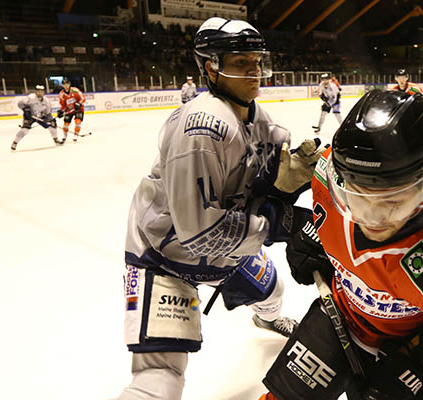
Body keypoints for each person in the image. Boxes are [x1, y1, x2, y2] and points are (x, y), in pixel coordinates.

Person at [116, 17, 323, 400]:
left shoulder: (264, 124)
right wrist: (280, 222)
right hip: (162, 257)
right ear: (211, 66)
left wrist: (284, 188)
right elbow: (197, 232)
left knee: (272, 289)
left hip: (223, 251)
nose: (254, 71)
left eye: (257, 61)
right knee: (160, 375)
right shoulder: (202, 128)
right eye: (241, 62)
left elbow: (253, 191)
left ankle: (267, 319)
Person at [260, 90, 423, 400]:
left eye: (392, 201)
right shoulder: (326, 178)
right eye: (358, 197)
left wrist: (416, 361)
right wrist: (309, 232)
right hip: (343, 313)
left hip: (416, 339)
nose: (373, 219)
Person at [11, 84, 60, 151]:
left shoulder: (47, 101)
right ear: (36, 92)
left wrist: (50, 120)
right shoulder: (30, 98)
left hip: (40, 116)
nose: (39, 93)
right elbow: (20, 104)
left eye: (41, 91)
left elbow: (48, 113)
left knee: (52, 126)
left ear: (44, 92)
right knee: (25, 130)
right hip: (29, 116)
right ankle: (15, 142)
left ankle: (56, 139)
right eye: (38, 91)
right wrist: (25, 109)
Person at [57, 77, 86, 143]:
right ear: (62, 85)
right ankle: (65, 136)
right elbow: (63, 105)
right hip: (69, 110)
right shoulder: (61, 94)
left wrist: (79, 104)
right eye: (64, 84)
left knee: (78, 123)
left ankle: (76, 135)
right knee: (65, 126)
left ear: (69, 84)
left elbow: (83, 98)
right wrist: (61, 111)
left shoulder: (75, 90)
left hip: (78, 110)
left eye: (67, 84)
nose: (66, 85)